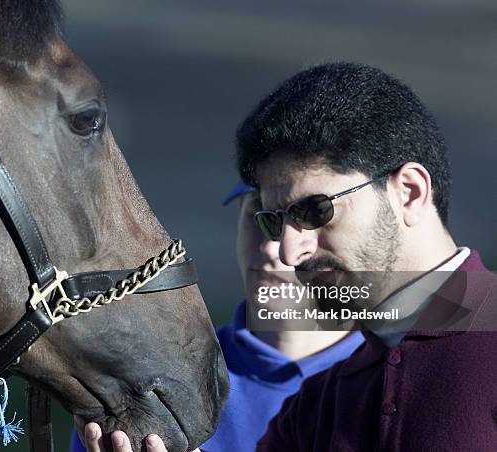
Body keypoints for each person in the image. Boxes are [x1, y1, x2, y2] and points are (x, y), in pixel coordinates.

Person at [83, 61, 497, 451]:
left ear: (409, 193)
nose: (288, 250)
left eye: (315, 211)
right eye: (274, 221)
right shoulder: (315, 409)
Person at [71, 179, 364, 452]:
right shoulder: (148, 389)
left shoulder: (395, 387)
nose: (271, 248)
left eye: (307, 217)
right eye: (260, 215)